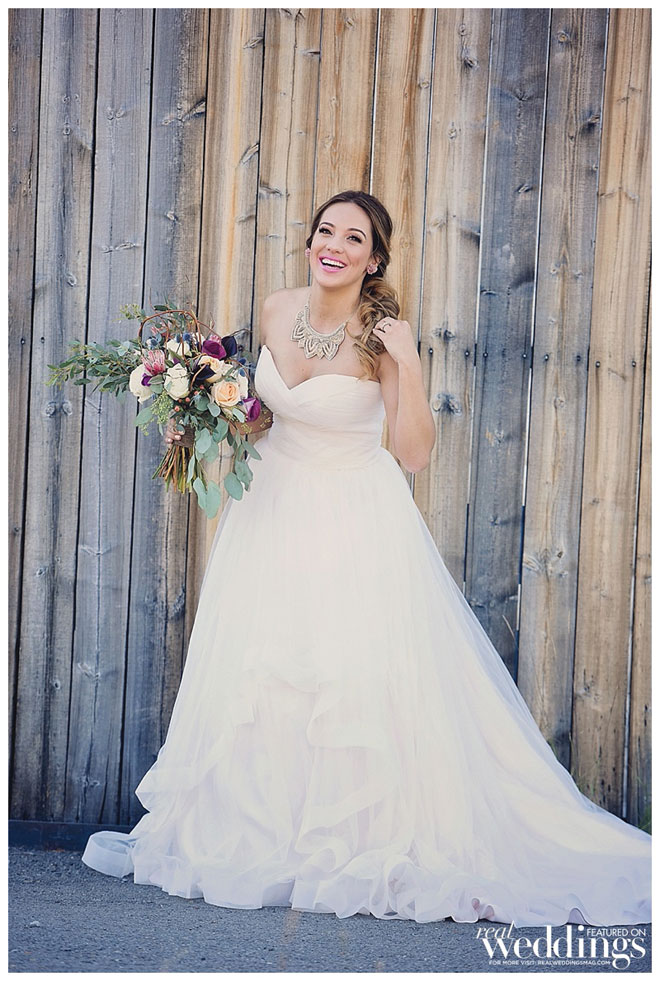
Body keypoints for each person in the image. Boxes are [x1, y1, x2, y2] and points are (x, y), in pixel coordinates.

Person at [82, 190, 651, 927]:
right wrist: (202, 414)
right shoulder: (276, 308)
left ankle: (354, 837)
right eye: (326, 231)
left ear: (374, 258)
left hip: (353, 517)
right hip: (270, 512)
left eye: (354, 238)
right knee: (266, 670)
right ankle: (266, 832)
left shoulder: (384, 336)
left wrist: (409, 366)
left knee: (346, 673)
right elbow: (262, 415)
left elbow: (413, 453)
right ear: (310, 241)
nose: (335, 245)